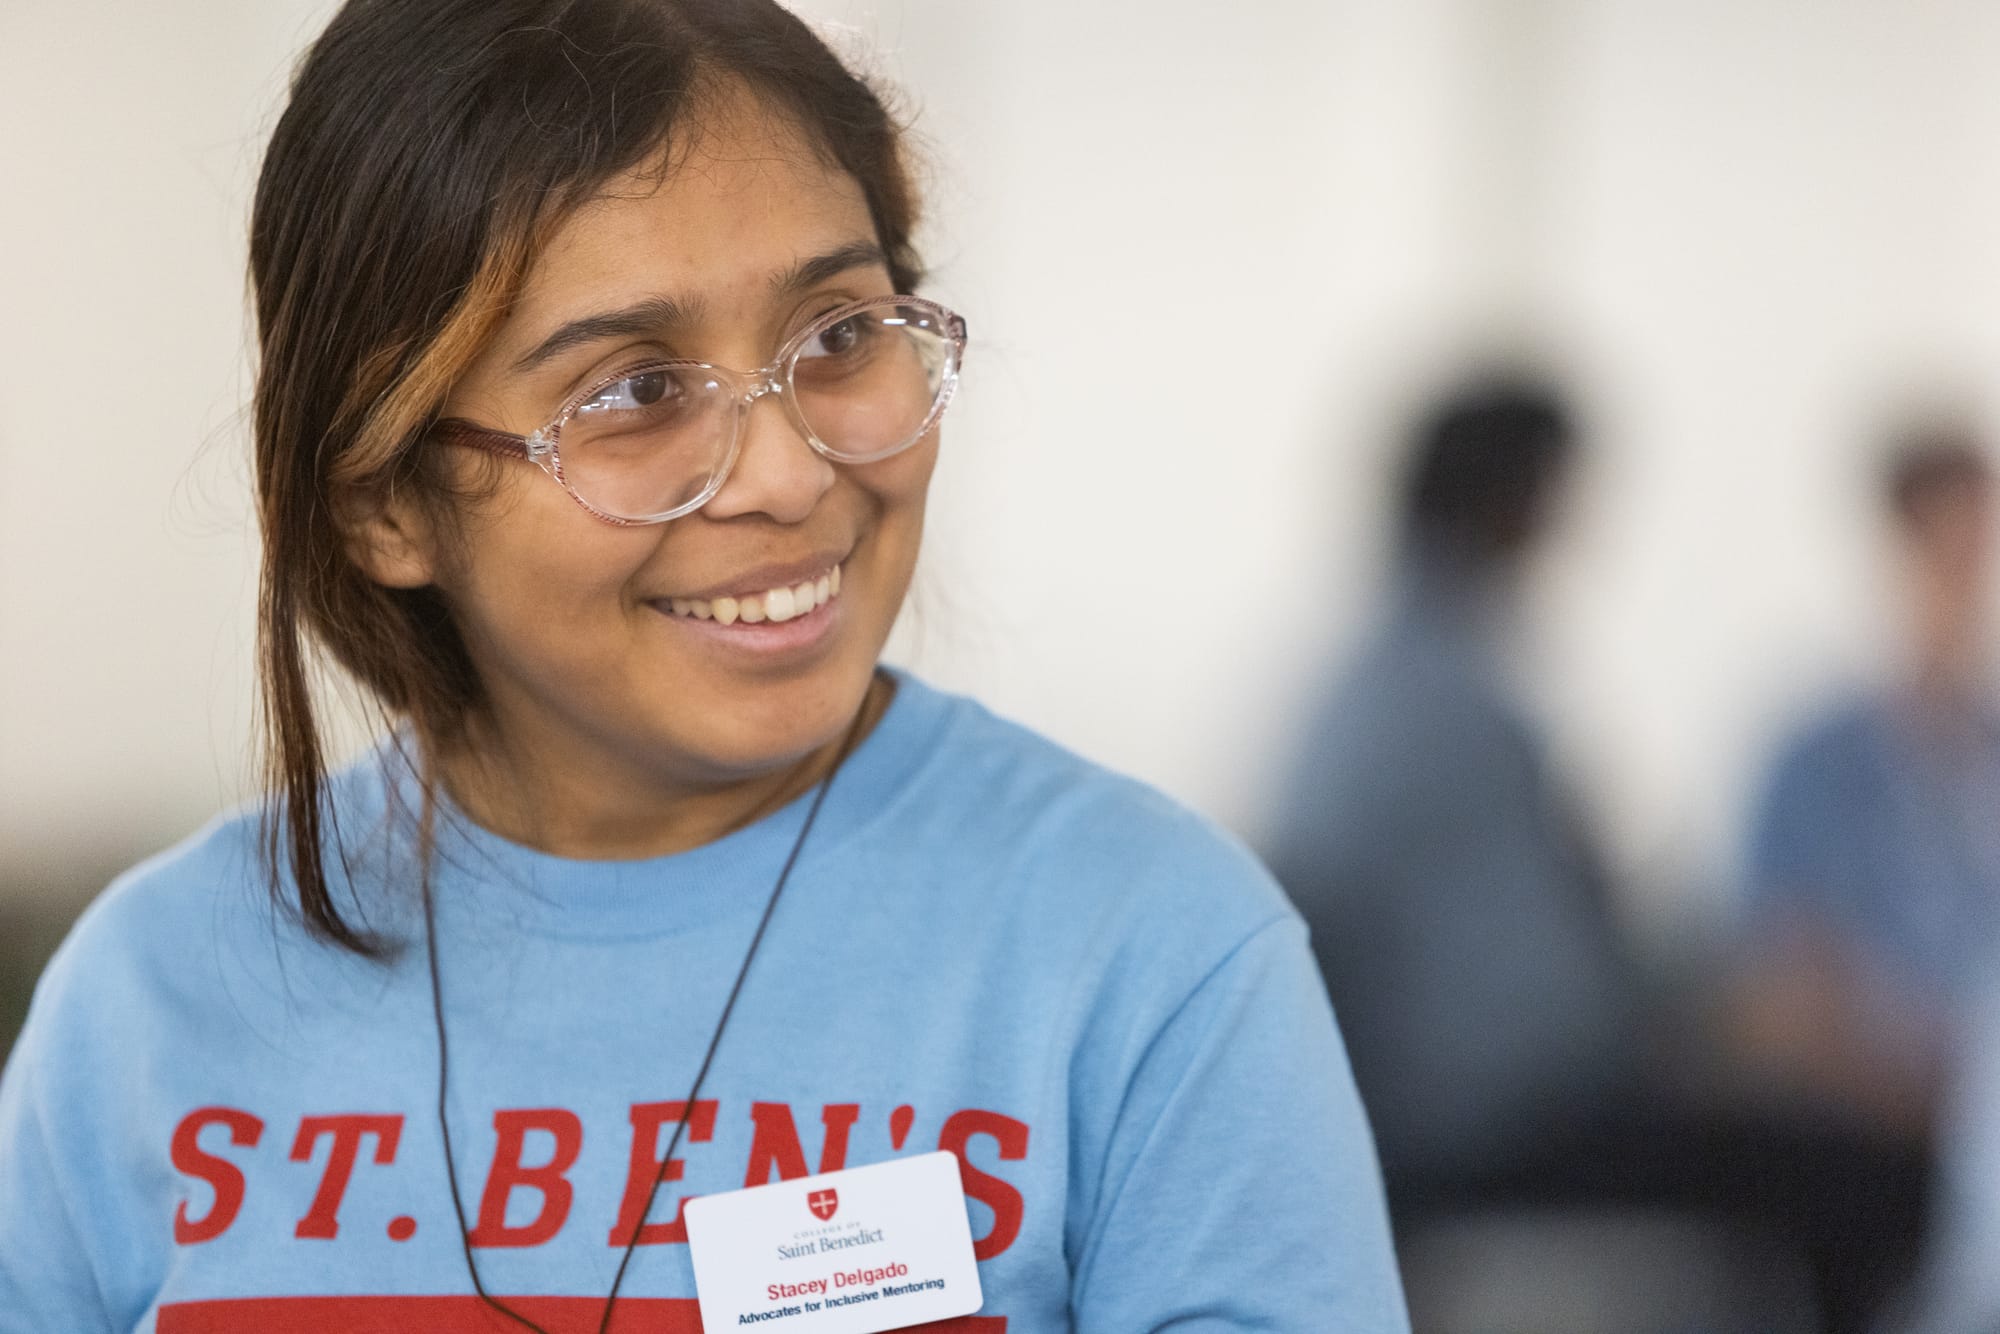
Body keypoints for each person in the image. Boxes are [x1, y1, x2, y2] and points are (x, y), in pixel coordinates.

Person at [0, 3, 1406, 1331]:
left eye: (841, 335)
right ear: (385, 501)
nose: (791, 474)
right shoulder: (148, 1001)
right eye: (632, 391)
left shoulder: (1146, 956)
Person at [1265, 374, 1642, 1217]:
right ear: (1512, 495)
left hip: (1448, 1111)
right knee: (1850, 1179)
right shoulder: (1437, 695)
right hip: (1477, 1130)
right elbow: (1545, 990)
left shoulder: (1401, 669)